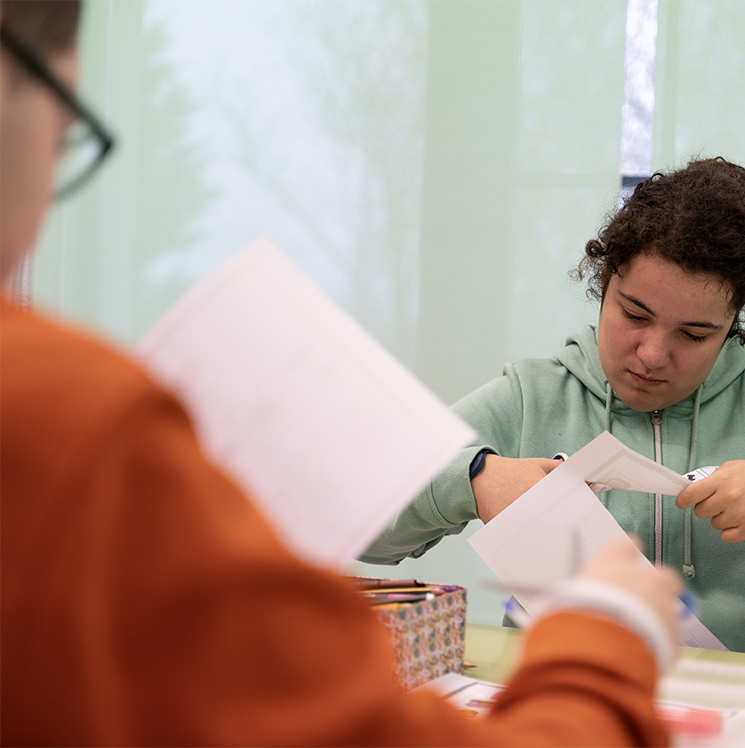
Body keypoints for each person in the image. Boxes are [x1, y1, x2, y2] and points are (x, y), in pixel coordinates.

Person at [0, 2, 686, 746]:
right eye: (64, 137)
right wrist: (605, 634)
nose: (652, 352)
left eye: (694, 332)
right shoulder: (69, 422)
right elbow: (383, 514)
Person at [362, 156, 745, 659]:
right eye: (634, 314)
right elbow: (354, 520)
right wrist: (474, 478)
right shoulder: (532, 396)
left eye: (694, 335)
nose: (652, 354)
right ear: (603, 283)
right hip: (570, 703)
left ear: (732, 327)